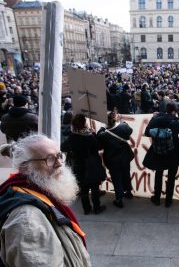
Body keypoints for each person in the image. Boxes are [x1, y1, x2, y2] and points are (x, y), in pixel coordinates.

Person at [0, 134, 91, 267]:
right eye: (49, 159)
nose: (59, 163)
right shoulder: (27, 221)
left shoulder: (37, 192)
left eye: (59, 155)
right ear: (25, 167)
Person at [143, 102, 179, 207]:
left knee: (158, 175)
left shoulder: (157, 119)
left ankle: (157, 199)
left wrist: (153, 118)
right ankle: (168, 201)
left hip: (159, 152)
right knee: (171, 177)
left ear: (166, 109)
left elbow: (147, 132)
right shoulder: (175, 121)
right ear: (174, 110)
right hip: (173, 152)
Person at [61, 113, 106, 215]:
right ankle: (97, 208)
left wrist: (72, 151)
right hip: (92, 164)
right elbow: (99, 146)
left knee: (84, 189)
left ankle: (86, 209)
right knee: (94, 187)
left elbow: (63, 147)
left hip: (79, 165)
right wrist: (93, 134)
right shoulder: (89, 136)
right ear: (84, 123)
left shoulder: (72, 136)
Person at [97, 111, 134, 208]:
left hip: (112, 160)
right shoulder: (123, 126)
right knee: (126, 173)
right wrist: (122, 122)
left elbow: (99, 139)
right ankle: (129, 191)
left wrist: (103, 127)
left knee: (116, 178)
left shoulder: (103, 134)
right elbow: (129, 131)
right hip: (125, 156)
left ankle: (119, 199)